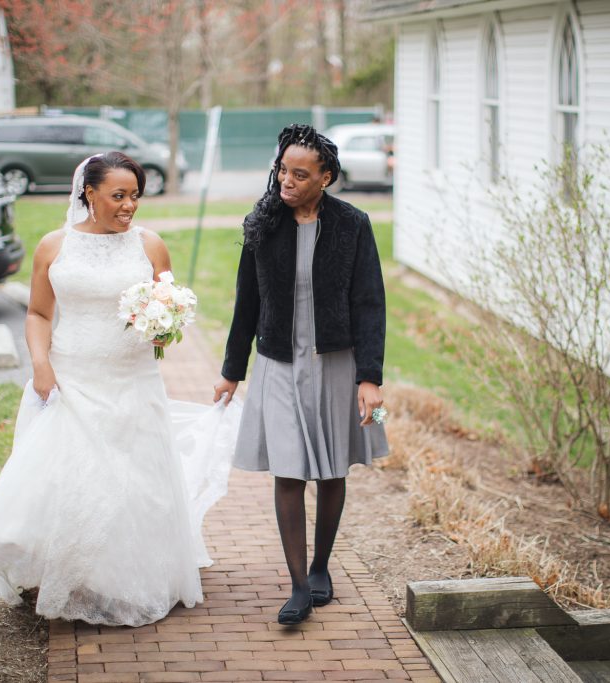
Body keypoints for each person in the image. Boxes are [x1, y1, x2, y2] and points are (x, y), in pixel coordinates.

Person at [0, 152, 238, 627]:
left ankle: (126, 578)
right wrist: (41, 366)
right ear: (89, 194)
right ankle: (71, 568)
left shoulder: (151, 246)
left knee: (132, 483)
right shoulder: (53, 245)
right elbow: (38, 314)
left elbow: (169, 315)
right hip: (72, 379)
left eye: (135, 197)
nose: (129, 206)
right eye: (118, 196)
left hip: (132, 382)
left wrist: (163, 327)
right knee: (74, 478)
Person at [213, 124, 388, 625]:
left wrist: (370, 378)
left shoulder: (353, 224)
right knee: (288, 471)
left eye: (299, 173)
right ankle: (296, 587)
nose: (286, 181)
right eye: (282, 169)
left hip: (339, 362)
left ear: (326, 178)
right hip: (278, 362)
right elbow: (247, 300)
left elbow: (370, 303)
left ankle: (320, 567)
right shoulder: (263, 222)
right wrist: (231, 371)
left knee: (334, 468)